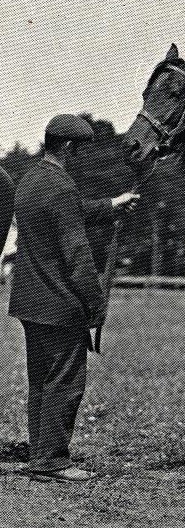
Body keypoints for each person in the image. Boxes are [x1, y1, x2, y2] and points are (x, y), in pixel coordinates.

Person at [8, 114, 139, 483]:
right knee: (65, 382)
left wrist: (112, 205)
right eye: (81, 151)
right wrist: (95, 305)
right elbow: (77, 255)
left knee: (41, 381)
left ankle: (39, 455)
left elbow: (69, 212)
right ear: (69, 147)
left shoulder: (31, 180)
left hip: (31, 302)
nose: (82, 158)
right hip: (60, 304)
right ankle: (52, 461)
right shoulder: (62, 187)